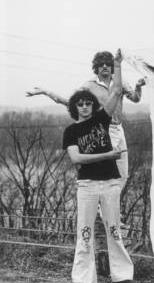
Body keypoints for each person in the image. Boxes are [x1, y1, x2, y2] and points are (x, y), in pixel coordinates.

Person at [62, 49, 137, 283]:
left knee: (114, 230)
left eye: (88, 103)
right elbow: (76, 158)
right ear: (75, 107)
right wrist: (108, 156)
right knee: (84, 232)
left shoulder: (103, 120)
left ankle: (122, 276)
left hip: (110, 183)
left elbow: (116, 91)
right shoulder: (71, 132)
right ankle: (82, 278)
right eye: (80, 104)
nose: (84, 107)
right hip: (87, 186)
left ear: (94, 106)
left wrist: (117, 64)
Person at [26, 51, 146, 190]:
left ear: (112, 66)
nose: (105, 67)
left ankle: (110, 206)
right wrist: (46, 92)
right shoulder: (88, 85)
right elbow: (70, 102)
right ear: (96, 67)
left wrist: (138, 86)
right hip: (102, 129)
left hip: (119, 129)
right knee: (108, 170)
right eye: (101, 65)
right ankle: (101, 204)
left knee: (123, 174)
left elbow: (136, 99)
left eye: (108, 64)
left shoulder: (120, 82)